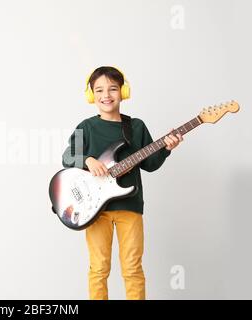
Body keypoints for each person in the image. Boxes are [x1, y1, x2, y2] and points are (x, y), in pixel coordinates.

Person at [61, 66, 183, 300]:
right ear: (91, 95)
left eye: (112, 89)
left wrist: (166, 149)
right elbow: (67, 156)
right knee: (99, 269)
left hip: (131, 206)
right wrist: (88, 159)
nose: (106, 95)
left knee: (133, 269)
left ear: (123, 91)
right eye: (99, 90)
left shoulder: (135, 127)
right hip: (95, 210)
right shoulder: (85, 126)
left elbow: (149, 164)